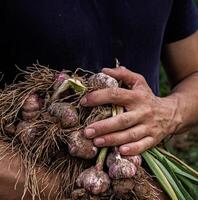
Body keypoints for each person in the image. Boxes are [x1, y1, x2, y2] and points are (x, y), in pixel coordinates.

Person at [0, 0, 198, 199]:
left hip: (139, 181)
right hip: (25, 178)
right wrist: (76, 191)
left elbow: (193, 72)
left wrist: (171, 111)